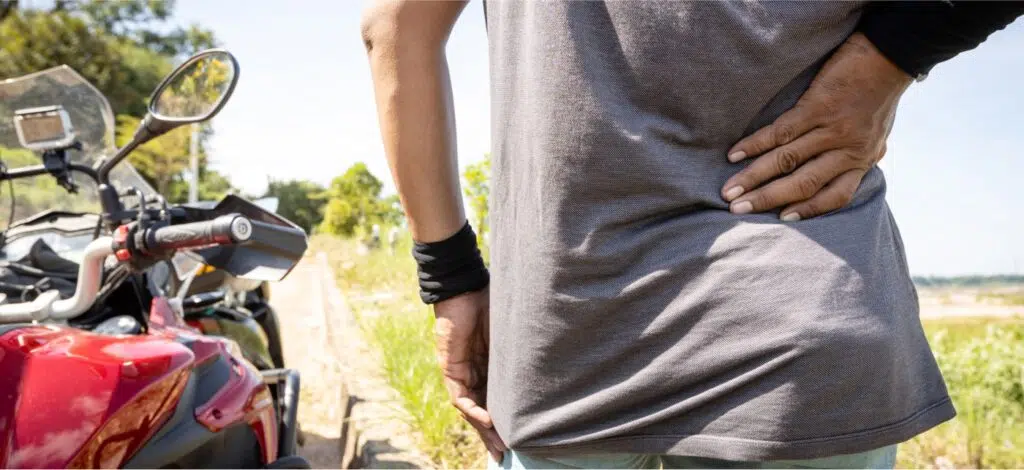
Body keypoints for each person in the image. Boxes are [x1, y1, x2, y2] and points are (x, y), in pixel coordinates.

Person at [361, 2, 1023, 469]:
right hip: (807, 318)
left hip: (572, 335)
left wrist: (449, 278)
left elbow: (395, 27)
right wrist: (892, 55)